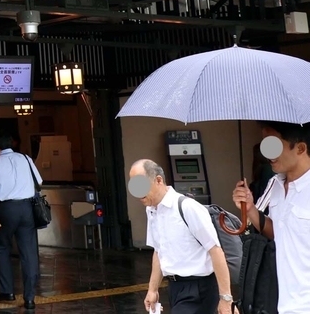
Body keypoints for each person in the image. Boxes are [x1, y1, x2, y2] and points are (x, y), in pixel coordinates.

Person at [130, 159, 231, 314]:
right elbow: (159, 250)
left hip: (199, 287)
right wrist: (152, 289)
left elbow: (215, 250)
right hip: (175, 287)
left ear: (158, 180)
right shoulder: (152, 210)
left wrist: (225, 299)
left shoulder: (187, 207)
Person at [231, 122, 310, 314]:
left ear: (300, 148)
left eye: (273, 145)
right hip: (278, 302)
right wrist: (249, 208)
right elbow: (278, 233)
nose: (267, 154)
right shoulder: (275, 184)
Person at [0, 132, 43, 310]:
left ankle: (7, 291)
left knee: (1, 246)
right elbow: (39, 182)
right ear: (12, 144)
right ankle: (30, 297)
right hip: (27, 210)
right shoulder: (26, 158)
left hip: (5, 211)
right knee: (28, 252)